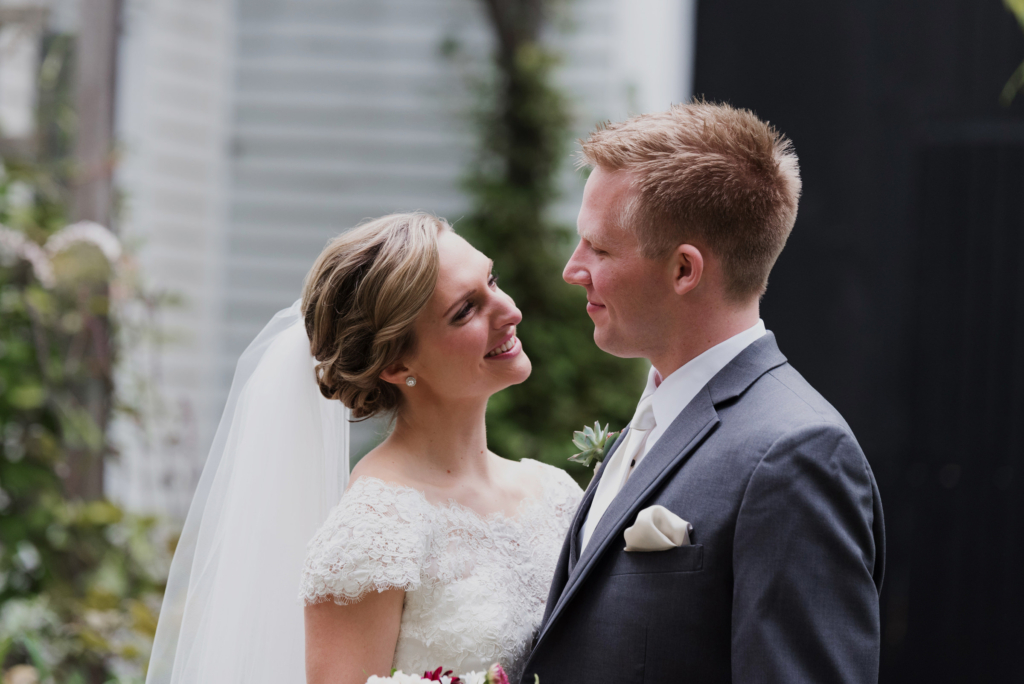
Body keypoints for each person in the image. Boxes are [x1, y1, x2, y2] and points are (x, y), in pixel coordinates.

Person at [521, 102, 885, 683]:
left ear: (684, 270)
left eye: (600, 248)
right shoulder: (659, 415)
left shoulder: (796, 454)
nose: (572, 268)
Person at [146, 213, 581, 684]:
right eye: (466, 310)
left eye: (492, 280)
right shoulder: (373, 533)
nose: (510, 311)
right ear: (396, 364)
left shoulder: (554, 492)